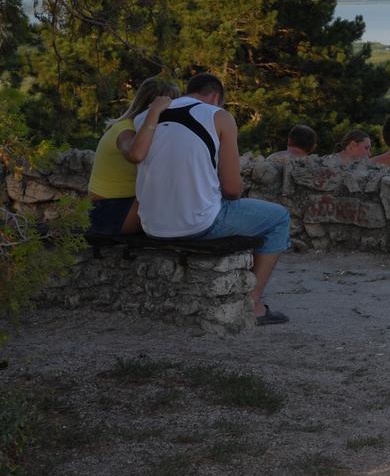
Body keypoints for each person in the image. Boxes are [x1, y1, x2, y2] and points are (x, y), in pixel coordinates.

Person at [133, 73, 291, 326]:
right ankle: (254, 304)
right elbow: (231, 189)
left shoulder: (143, 118)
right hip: (198, 224)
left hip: (151, 225)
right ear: (216, 97)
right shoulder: (218, 116)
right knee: (279, 217)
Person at [87, 77, 180, 235]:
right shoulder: (125, 130)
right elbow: (135, 154)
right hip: (108, 212)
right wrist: (154, 112)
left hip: (119, 208)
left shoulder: (148, 132)